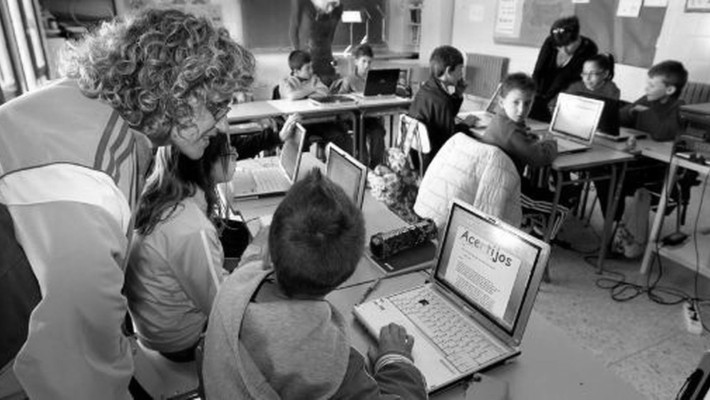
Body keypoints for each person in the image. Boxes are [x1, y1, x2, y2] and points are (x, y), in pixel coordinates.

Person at [0, 8, 255, 399]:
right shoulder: (92, 181)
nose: (222, 125)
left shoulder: (89, 109)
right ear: (177, 93)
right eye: (219, 105)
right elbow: (77, 368)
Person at [203, 169, 427, 399]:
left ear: (268, 254)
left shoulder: (238, 279)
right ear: (345, 276)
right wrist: (395, 360)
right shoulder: (330, 364)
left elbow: (253, 255)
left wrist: (273, 238)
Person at [125, 133, 236, 363]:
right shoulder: (192, 228)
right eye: (228, 152)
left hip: (152, 324)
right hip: (181, 342)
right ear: (204, 163)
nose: (235, 154)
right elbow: (221, 306)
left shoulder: (158, 193)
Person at [599, 60, 689, 258]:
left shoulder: (679, 109)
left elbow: (661, 133)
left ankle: (621, 232)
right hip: (638, 157)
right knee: (603, 170)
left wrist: (646, 110)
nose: (646, 88)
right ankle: (614, 223)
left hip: (659, 166)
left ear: (670, 89)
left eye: (652, 85)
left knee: (615, 176)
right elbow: (619, 118)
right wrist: (631, 111)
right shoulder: (647, 100)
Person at [479, 72, 572, 241]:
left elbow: (524, 138)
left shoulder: (502, 120)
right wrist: (551, 142)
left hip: (500, 181)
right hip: (505, 191)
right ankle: (539, 246)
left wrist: (534, 140)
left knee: (545, 190)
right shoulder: (511, 131)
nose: (522, 109)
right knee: (561, 207)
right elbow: (539, 158)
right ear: (501, 102)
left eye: (527, 103)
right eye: (516, 103)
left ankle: (534, 227)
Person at [408, 45, 477, 172]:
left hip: (416, 154)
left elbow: (446, 115)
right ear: (448, 70)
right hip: (432, 158)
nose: (462, 75)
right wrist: (465, 125)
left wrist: (458, 94)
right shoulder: (441, 100)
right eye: (460, 70)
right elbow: (450, 139)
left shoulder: (428, 87)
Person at [279, 49, 353, 154]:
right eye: (307, 68)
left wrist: (303, 93)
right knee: (299, 143)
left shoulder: (314, 78)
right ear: (296, 71)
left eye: (311, 67)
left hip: (318, 119)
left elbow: (324, 92)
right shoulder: (286, 81)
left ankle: (337, 165)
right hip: (299, 123)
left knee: (340, 136)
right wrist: (312, 89)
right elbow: (291, 95)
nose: (311, 71)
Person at [530, 15, 598, 122]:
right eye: (559, 47)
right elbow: (538, 72)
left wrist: (548, 102)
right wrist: (535, 97)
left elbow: (569, 82)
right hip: (540, 97)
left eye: (567, 45)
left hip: (565, 98)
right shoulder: (550, 42)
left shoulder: (588, 49)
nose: (563, 50)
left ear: (577, 39)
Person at [334, 44, 386, 168]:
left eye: (369, 62)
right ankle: (362, 166)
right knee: (360, 139)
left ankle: (376, 167)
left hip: (370, 116)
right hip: (354, 119)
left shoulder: (375, 78)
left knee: (378, 133)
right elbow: (339, 100)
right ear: (356, 61)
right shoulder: (349, 80)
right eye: (363, 61)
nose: (367, 65)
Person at [290, 0, 343, 86]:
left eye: (333, 5)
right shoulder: (300, 2)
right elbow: (293, 31)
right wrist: (299, 59)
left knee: (330, 91)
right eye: (328, 4)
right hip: (306, 62)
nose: (330, 10)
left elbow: (330, 36)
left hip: (326, 62)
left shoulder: (337, 8)